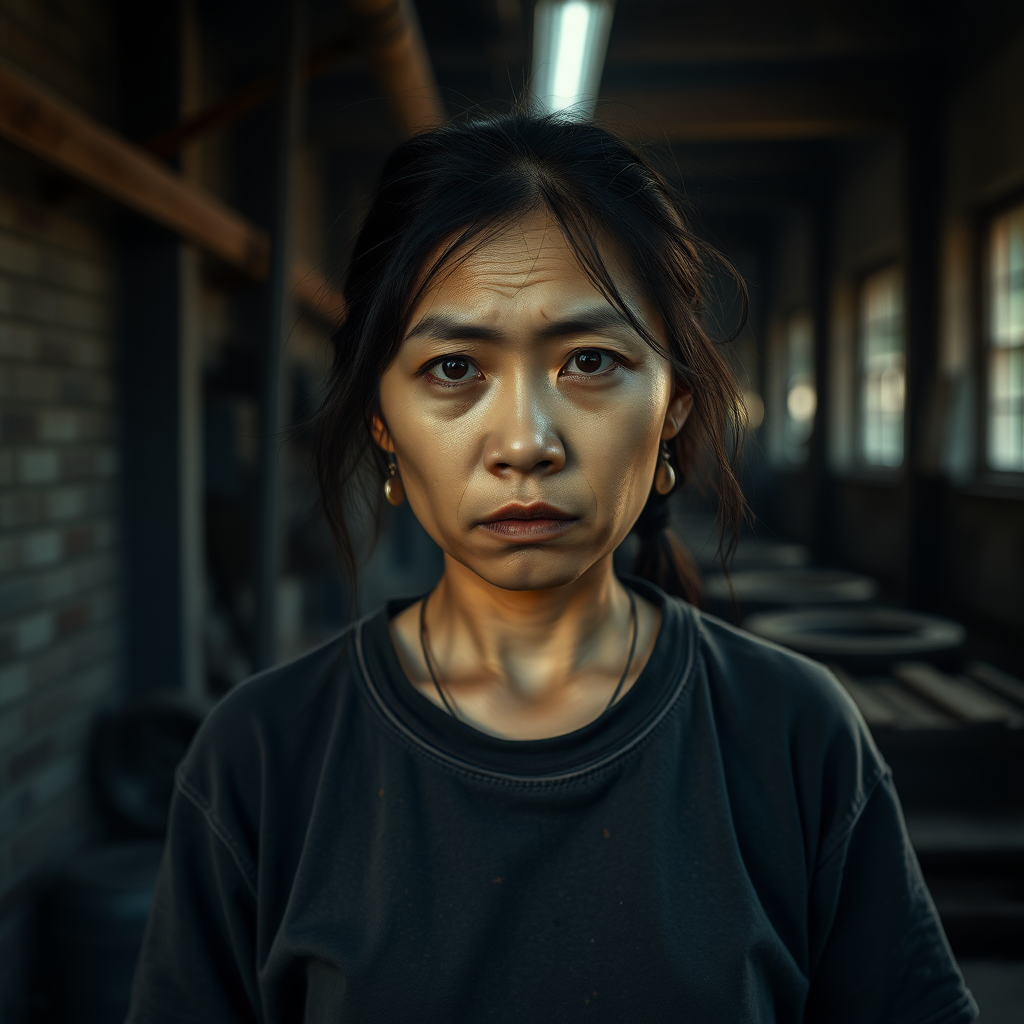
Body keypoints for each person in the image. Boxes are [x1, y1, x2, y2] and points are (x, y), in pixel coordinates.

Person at [127, 113, 976, 1023]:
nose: (526, 443)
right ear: (381, 421)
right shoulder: (263, 757)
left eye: (590, 362)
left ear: (674, 410)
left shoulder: (793, 736)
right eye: (453, 367)